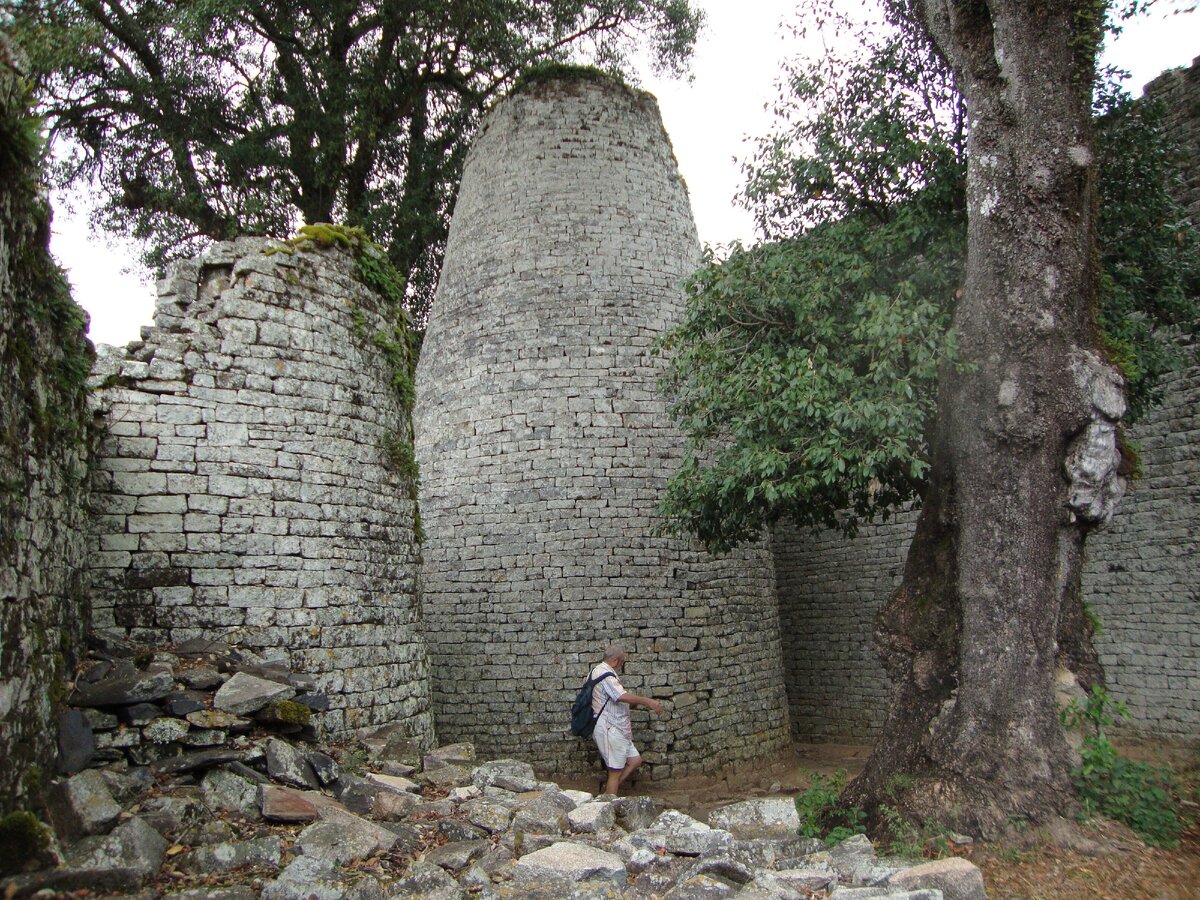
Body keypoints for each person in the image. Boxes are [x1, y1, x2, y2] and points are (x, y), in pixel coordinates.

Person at [591, 644, 665, 796]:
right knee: (614, 772)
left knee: (635, 760)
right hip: (609, 727)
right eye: (622, 662)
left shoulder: (597, 671)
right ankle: (608, 806)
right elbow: (620, 696)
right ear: (615, 660)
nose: (622, 665)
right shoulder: (605, 675)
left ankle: (607, 793)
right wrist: (648, 701)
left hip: (617, 728)